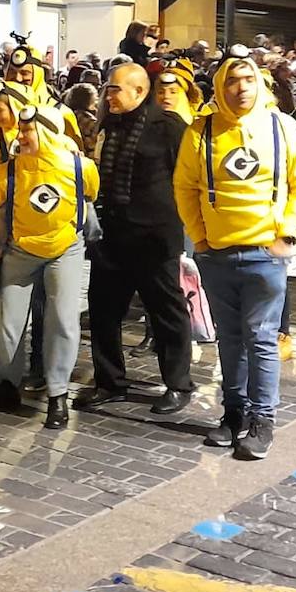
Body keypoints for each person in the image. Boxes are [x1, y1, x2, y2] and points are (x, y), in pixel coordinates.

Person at [173, 54, 296, 460]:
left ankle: (262, 420)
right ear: (221, 86)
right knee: (230, 339)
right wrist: (200, 238)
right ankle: (233, 413)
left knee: (261, 339)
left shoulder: (282, 127)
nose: (241, 88)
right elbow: (184, 186)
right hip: (216, 253)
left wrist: (288, 231)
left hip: (264, 253)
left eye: (248, 80)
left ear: (261, 84)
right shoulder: (201, 131)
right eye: (233, 80)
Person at [77, 63, 194, 414]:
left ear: (139, 91)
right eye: (107, 89)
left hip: (154, 236)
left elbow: (186, 179)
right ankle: (110, 381)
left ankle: (178, 383)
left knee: (166, 311)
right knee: (103, 310)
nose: (107, 95)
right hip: (112, 233)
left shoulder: (169, 126)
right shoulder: (109, 123)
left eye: (114, 89)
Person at [0, 105, 100, 429]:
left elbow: (89, 192)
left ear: (46, 130)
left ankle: (58, 395)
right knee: (8, 324)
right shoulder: (11, 170)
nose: (21, 135)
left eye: (28, 129)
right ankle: (6, 387)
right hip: (20, 250)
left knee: (63, 320)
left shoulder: (79, 166)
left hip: (65, 248)